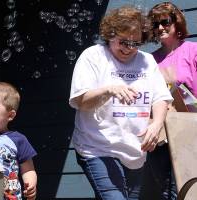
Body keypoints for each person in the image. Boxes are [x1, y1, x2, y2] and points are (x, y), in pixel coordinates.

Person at [68, 6, 173, 200]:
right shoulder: (94, 56)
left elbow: (161, 97)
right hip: (97, 148)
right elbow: (80, 100)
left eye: (136, 43)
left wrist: (157, 124)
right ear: (110, 34)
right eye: (123, 42)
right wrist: (109, 89)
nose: (129, 48)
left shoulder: (147, 61)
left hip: (135, 150)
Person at [141, 2, 197, 200]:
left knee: (188, 183)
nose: (160, 28)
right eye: (155, 24)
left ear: (177, 22)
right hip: (160, 131)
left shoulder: (192, 51)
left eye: (164, 22)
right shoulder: (149, 60)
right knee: (166, 189)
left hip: (188, 129)